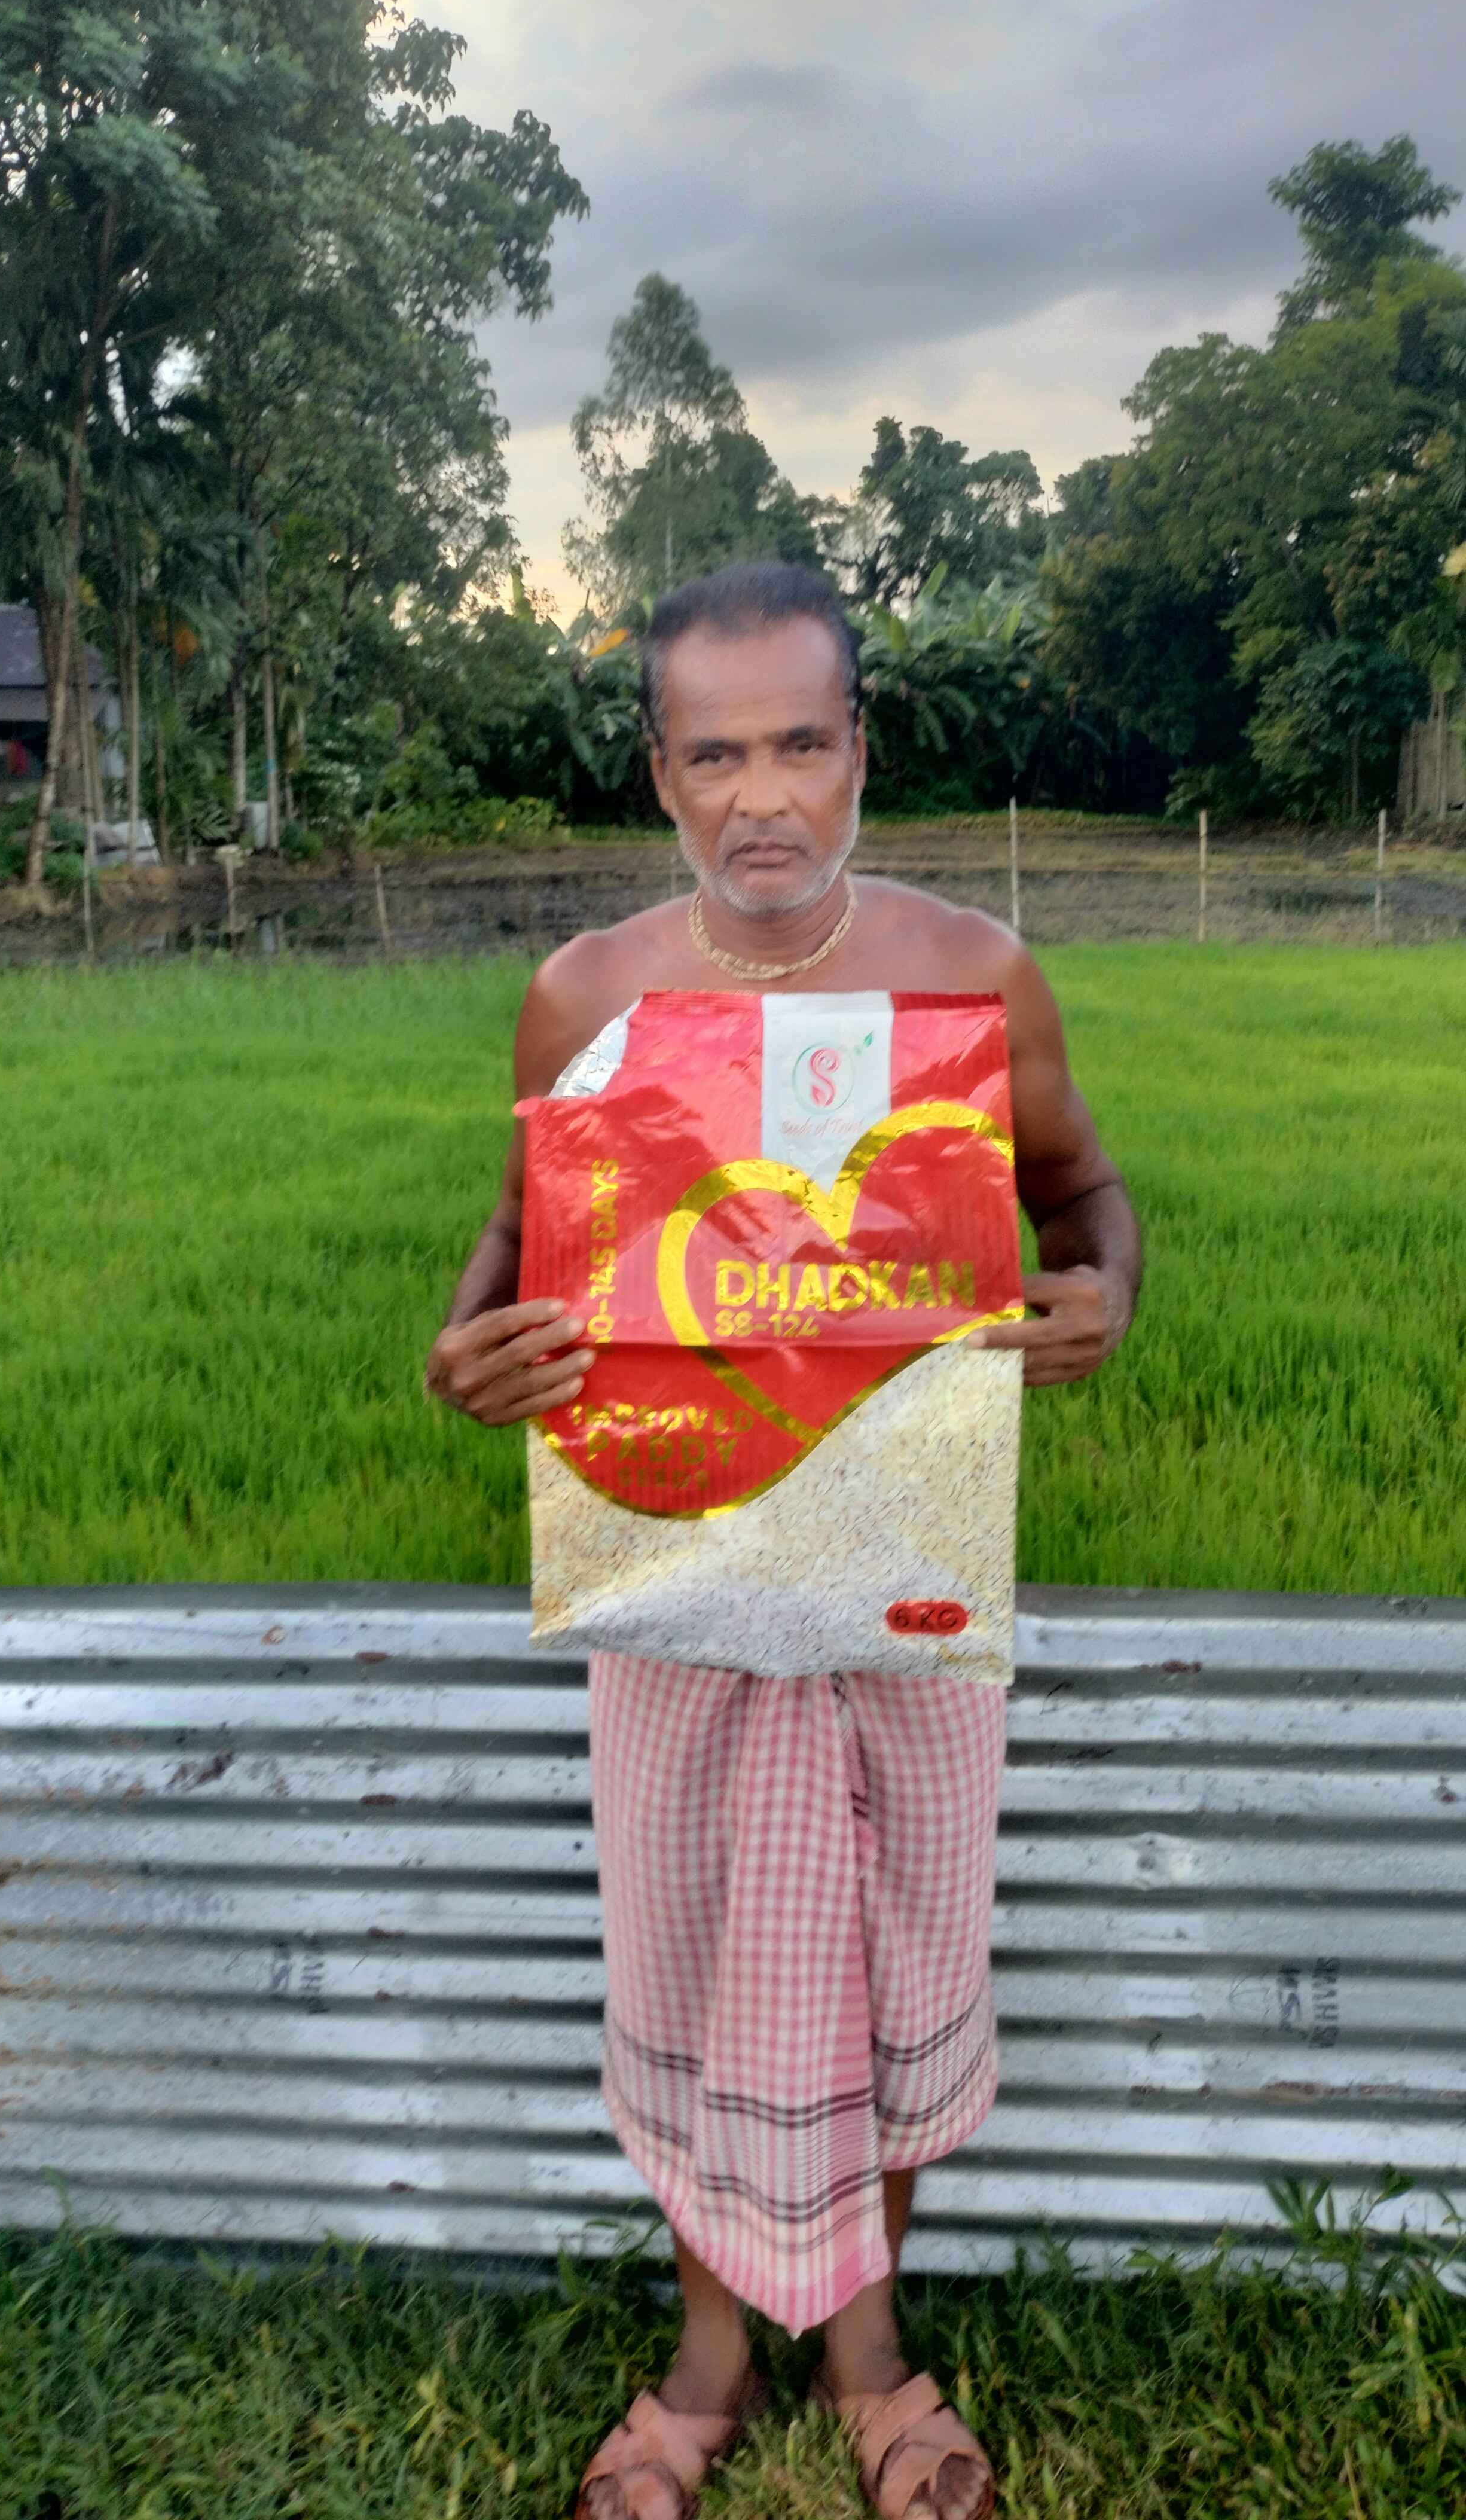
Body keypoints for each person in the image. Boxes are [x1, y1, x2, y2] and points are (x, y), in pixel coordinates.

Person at [427, 561, 1141, 2520]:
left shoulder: (970, 976)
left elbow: (1086, 1191)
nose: (763, 799)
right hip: (681, 1577)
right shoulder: (586, 996)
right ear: (660, 773)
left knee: (895, 1969)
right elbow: (517, 1231)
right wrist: (464, 1346)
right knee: (690, 1967)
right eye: (716, 756)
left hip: (902, 1579)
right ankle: (711, 2359)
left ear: (859, 751)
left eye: (801, 746)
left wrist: (1105, 1294)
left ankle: (870, 2358)